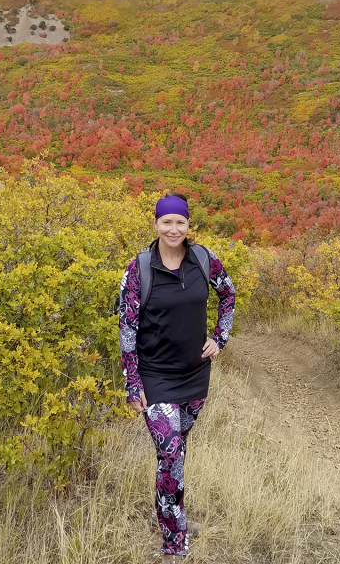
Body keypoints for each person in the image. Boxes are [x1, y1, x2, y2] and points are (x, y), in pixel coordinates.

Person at [118, 193, 236, 561]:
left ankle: (173, 511)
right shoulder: (139, 268)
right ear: (156, 224)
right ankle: (174, 540)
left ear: (188, 226)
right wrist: (132, 382)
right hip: (155, 377)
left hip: (195, 375)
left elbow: (228, 295)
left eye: (180, 222)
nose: (173, 229)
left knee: (175, 453)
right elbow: (126, 328)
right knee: (170, 453)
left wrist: (220, 338)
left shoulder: (204, 260)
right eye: (166, 222)